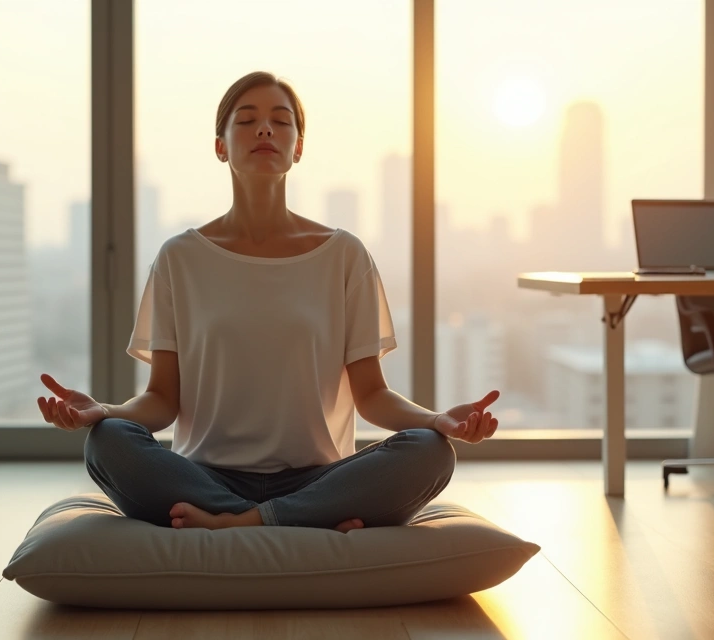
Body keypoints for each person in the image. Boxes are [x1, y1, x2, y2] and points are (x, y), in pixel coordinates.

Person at [37, 71, 499, 533]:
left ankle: (242, 522)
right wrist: (105, 412)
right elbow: (161, 399)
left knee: (430, 451)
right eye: (247, 120)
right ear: (220, 146)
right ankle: (291, 521)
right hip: (205, 474)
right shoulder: (179, 258)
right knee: (107, 443)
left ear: (298, 147)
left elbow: (372, 396)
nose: (265, 130)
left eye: (281, 122)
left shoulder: (344, 255)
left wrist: (437, 420)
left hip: (318, 476)